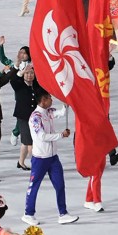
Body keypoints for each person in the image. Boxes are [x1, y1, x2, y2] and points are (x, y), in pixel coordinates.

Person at [21, 92, 79, 225]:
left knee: (60, 185)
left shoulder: (48, 112)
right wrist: (60, 135)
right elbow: (42, 136)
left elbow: (61, 113)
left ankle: (63, 213)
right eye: (49, 98)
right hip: (40, 158)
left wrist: (65, 105)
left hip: (53, 158)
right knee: (34, 186)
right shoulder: (35, 117)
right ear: (42, 100)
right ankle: (28, 214)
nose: (51, 100)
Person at [7, 63, 38, 171]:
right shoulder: (19, 85)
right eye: (27, 73)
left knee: (26, 141)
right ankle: (36, 166)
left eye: (32, 73)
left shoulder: (37, 85)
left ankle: (21, 162)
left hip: (35, 118)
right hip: (23, 117)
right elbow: (13, 79)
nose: (29, 75)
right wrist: (21, 71)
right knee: (30, 142)